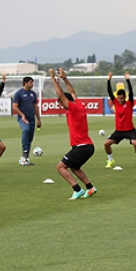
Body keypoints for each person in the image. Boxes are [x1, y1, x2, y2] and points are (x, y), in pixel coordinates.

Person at [48, 68, 97, 200]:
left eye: (60, 102)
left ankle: (77, 189)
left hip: (82, 146)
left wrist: (53, 79)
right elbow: (72, 91)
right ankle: (90, 187)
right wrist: (64, 78)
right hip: (85, 146)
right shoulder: (79, 105)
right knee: (75, 167)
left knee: (60, 167)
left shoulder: (74, 108)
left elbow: (63, 95)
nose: (60, 104)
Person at [104, 71, 136, 169]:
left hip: (130, 130)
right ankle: (110, 160)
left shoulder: (129, 103)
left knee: (135, 143)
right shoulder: (115, 102)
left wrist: (128, 80)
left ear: (124, 97)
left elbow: (131, 91)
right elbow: (109, 92)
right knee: (106, 144)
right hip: (119, 131)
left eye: (121, 98)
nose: (119, 100)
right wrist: (108, 80)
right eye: (118, 98)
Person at [13, 76, 41, 163]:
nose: (32, 84)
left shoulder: (33, 93)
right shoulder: (18, 94)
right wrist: (22, 115)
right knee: (26, 130)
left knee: (30, 138)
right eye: (31, 82)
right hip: (23, 119)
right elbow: (14, 107)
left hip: (32, 119)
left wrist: (38, 119)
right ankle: (24, 152)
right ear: (25, 83)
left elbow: (35, 107)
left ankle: (26, 158)